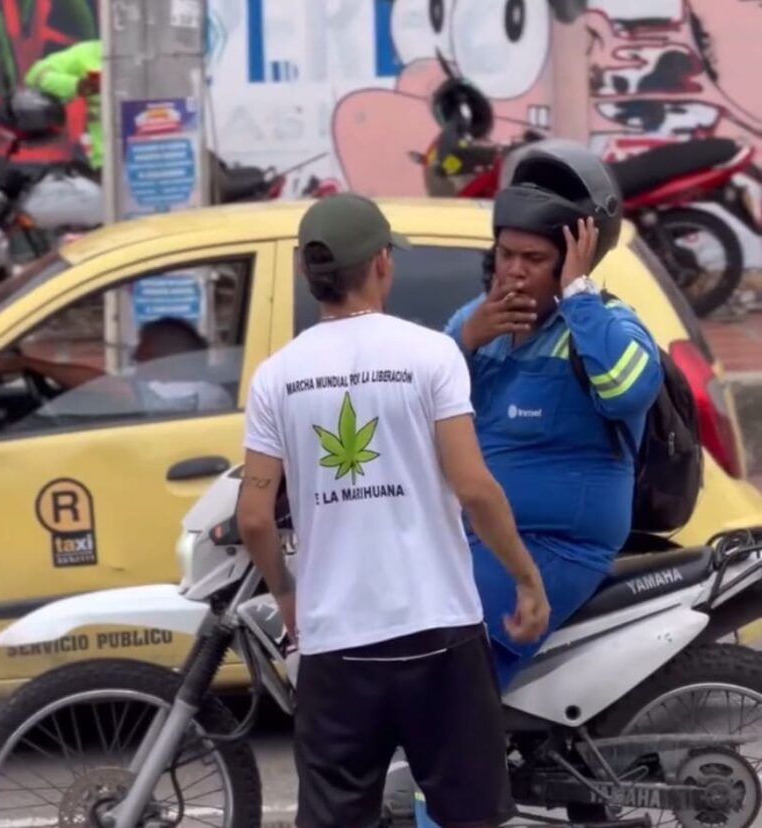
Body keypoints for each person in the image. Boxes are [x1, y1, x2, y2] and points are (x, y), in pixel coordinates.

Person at [238, 192, 550, 828]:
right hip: (440, 633)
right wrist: (525, 576)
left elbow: (253, 517)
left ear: (305, 272)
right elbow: (474, 487)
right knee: (471, 816)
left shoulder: (277, 376)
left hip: (336, 645)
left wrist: (288, 594)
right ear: (382, 263)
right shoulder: (429, 355)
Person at [414, 141, 664, 827]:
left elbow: (625, 390)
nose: (514, 274)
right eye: (505, 256)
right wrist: (467, 336)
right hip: (484, 538)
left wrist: (579, 296)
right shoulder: (480, 324)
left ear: (574, 257)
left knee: (450, 692)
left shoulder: (609, 324)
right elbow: (418, 401)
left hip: (557, 545)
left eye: (535, 260)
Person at [0, 316, 232, 414]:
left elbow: (103, 385)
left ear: (166, 358)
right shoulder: (159, 382)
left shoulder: (202, 394)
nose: (136, 357)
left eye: (143, 351)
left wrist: (27, 363)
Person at [24, 40, 102, 171]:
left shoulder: (147, 58)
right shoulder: (91, 52)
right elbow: (35, 75)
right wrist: (76, 85)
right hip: (104, 163)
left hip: (146, 158)